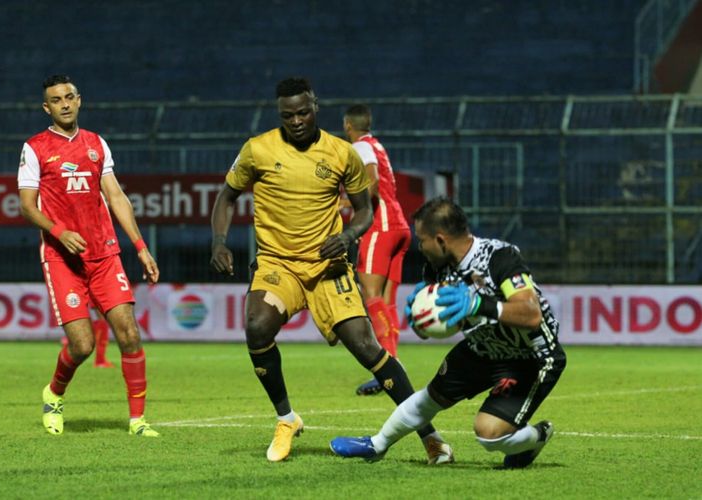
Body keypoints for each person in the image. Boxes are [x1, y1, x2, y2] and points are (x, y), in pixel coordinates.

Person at [210, 77, 452, 464]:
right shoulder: (257, 149)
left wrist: (351, 234)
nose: (297, 120)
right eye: (288, 115)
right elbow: (226, 197)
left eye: (303, 112)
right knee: (256, 325)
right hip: (278, 264)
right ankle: (286, 418)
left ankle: (430, 435)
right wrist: (219, 242)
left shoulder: (342, 154)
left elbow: (364, 209)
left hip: (327, 266)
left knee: (366, 346)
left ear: (315, 107)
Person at [330, 197, 566, 468]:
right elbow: (431, 330)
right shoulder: (436, 267)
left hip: (530, 357)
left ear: (440, 240)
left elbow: (531, 314)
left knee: (488, 433)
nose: (420, 246)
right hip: (482, 348)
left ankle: (536, 437)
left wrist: (478, 303)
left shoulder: (499, 257)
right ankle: (377, 444)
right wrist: (420, 320)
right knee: (432, 397)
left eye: (422, 240)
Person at [18, 74, 160, 437]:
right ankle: (54, 393)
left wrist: (141, 247)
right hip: (62, 259)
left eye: (69, 97)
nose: (64, 103)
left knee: (129, 333)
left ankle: (138, 421)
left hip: (105, 255)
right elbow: (27, 207)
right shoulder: (34, 148)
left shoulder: (97, 144)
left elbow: (116, 198)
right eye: (56, 99)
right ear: (46, 107)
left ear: (79, 100)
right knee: (82, 345)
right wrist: (59, 232)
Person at [342, 104, 411, 396]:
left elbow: (370, 183)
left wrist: (345, 204)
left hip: (380, 225)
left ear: (348, 125)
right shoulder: (377, 145)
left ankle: (387, 368)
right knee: (387, 301)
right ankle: (393, 368)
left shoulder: (360, 147)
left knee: (370, 296)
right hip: (399, 224)